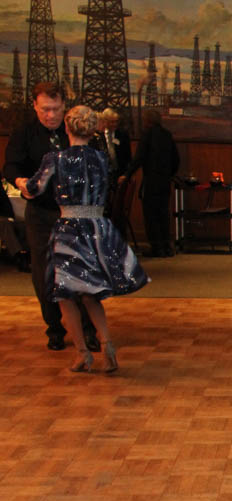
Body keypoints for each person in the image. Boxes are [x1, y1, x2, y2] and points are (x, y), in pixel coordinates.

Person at [24, 105, 149, 372]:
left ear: (67, 128)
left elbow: (35, 188)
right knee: (91, 294)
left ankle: (82, 353)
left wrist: (23, 183)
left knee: (66, 295)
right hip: (96, 228)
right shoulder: (101, 159)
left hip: (69, 230)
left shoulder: (55, 158)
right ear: (93, 130)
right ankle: (107, 345)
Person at [3, 82, 98, 351]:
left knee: (81, 271)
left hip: (75, 214)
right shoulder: (25, 134)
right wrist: (20, 181)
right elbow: (10, 165)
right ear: (35, 105)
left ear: (64, 107)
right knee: (43, 272)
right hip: (41, 213)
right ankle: (54, 328)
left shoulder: (74, 132)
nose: (50, 115)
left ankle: (88, 329)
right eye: (45, 109)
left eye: (56, 109)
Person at [121, 109, 180, 257]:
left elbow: (139, 158)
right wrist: (169, 174)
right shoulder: (167, 135)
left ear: (147, 121)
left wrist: (127, 175)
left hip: (151, 181)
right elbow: (176, 159)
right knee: (163, 213)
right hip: (165, 181)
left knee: (150, 214)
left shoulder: (147, 136)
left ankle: (157, 247)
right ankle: (167, 245)